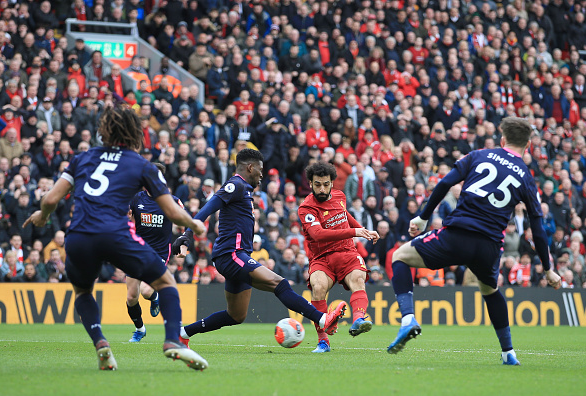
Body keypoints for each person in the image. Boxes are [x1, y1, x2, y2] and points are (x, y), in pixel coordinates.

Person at [24, 105, 208, 371]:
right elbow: (172, 211)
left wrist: (42, 216)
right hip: (115, 235)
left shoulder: (82, 158)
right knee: (165, 282)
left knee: (84, 292)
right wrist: (194, 225)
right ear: (135, 132)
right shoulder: (141, 164)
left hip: (78, 236)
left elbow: (51, 198)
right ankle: (171, 342)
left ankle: (101, 343)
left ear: (103, 132)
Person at [387, 117, 561, 365]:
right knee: (490, 290)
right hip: (489, 247)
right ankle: (508, 353)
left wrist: (424, 217)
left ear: (502, 140)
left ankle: (407, 319)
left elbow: (445, 182)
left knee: (399, 257)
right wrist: (547, 269)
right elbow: (538, 228)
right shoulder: (526, 176)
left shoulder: (479, 155)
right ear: (528, 145)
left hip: (457, 235)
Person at [172, 149, 346, 346]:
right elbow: (207, 208)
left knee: (236, 315)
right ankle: (323, 319)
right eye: (260, 170)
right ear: (250, 167)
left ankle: (183, 333)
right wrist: (187, 234)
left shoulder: (244, 189)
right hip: (231, 255)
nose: (262, 174)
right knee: (279, 284)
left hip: (235, 256)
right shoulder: (235, 184)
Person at [298, 162, 379, 353]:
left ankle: (359, 319)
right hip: (322, 256)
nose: (322, 189)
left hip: (346, 252)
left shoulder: (340, 196)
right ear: (310, 183)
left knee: (358, 278)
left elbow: (344, 214)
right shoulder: (306, 208)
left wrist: (362, 230)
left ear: (332, 183)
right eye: (317, 184)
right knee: (317, 287)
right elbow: (318, 234)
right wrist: (354, 231)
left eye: (326, 184)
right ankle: (323, 341)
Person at [125, 162, 185, 343]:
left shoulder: (171, 201)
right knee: (131, 297)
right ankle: (140, 329)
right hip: (136, 250)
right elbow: (125, 218)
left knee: (145, 291)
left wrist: (183, 244)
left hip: (158, 252)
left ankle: (155, 297)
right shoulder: (136, 199)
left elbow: (186, 223)